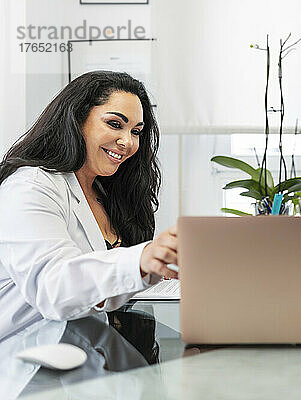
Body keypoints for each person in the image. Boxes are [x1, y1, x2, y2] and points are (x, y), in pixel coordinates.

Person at [0, 71, 178, 341]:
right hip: (38, 365)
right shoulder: (30, 187)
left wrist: (161, 268)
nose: (128, 142)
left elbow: (111, 285)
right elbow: (54, 288)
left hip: (107, 357)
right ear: (77, 119)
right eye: (115, 124)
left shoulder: (110, 193)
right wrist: (141, 261)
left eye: (136, 132)